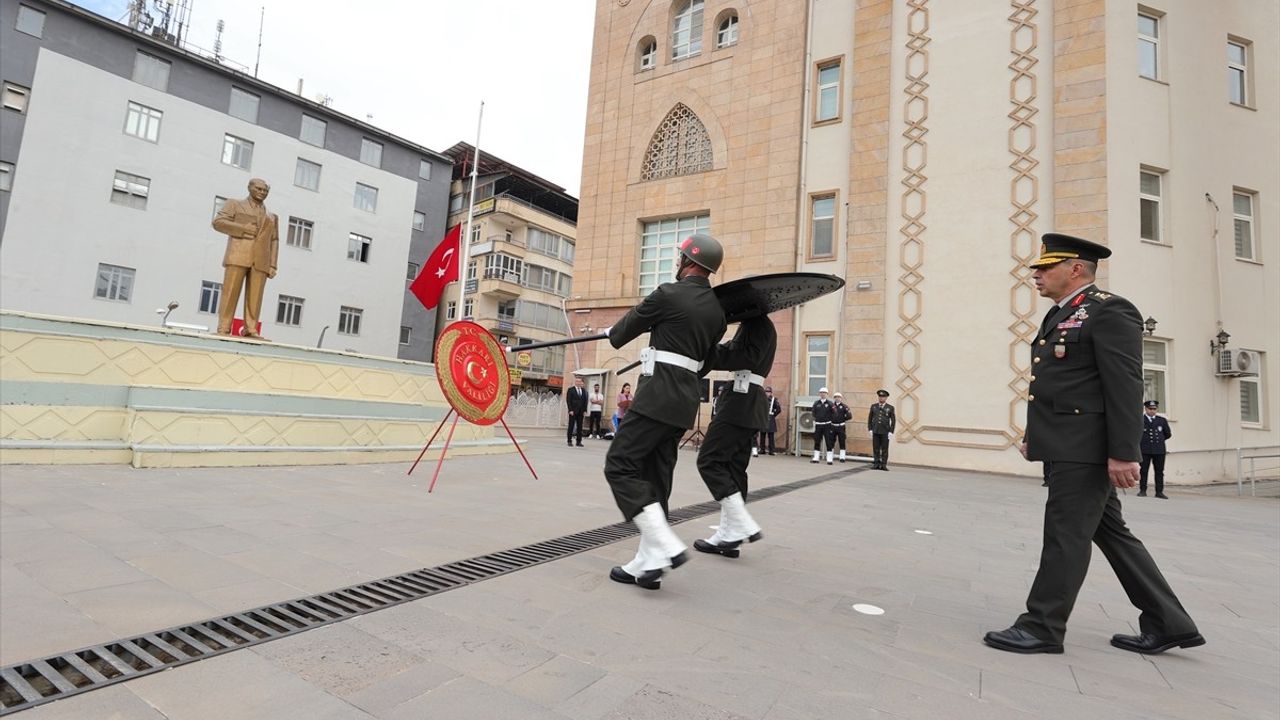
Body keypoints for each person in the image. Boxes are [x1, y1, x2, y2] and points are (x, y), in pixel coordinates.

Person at [984, 233, 1203, 656]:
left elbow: (1124, 385)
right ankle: (1169, 621)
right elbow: (1060, 386)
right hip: (1068, 443)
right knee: (1113, 535)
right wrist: (1038, 436)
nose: (1036, 274)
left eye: (1046, 267)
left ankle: (1043, 626)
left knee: (1065, 534)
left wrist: (1124, 452)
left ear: (1076, 268)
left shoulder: (1109, 311)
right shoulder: (1062, 313)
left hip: (1087, 449)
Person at [604, 233, 727, 590]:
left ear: (688, 261)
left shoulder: (668, 294)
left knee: (620, 465)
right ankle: (648, 565)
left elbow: (622, 332)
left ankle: (663, 542)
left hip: (656, 396)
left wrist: (610, 330)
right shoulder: (717, 312)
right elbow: (703, 361)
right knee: (657, 477)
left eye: (679, 257)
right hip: (684, 401)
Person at [693, 314, 775, 558]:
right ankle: (730, 537)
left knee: (709, 460)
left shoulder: (757, 324)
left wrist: (706, 350)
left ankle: (739, 523)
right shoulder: (756, 324)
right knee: (734, 468)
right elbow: (734, 350)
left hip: (741, 400)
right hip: (746, 400)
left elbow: (743, 356)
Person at [212, 178, 279, 338]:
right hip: (238, 255)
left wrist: (273, 265)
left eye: (265, 190)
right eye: (259, 189)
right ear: (250, 188)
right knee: (230, 292)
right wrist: (242, 228)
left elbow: (275, 240)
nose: (262, 192)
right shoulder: (235, 204)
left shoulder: (272, 217)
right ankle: (224, 327)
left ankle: (251, 328)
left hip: (261, 261)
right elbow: (218, 222)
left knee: (255, 297)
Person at [1139, 400, 1172, 499]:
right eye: (1150, 409)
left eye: (1154, 409)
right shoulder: (1140, 419)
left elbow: (1167, 434)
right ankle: (1143, 490)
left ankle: (1159, 492)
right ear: (1146, 409)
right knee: (1143, 470)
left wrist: (1159, 442)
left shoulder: (1161, 420)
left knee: (1159, 471)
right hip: (1145, 449)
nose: (1152, 411)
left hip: (1159, 450)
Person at [868, 390, 896, 470]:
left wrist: (891, 431)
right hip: (876, 430)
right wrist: (870, 429)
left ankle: (883, 464)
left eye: (883, 397)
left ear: (886, 398)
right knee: (876, 448)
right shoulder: (874, 406)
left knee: (884, 449)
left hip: (885, 431)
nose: (881, 398)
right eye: (880, 396)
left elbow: (893, 420)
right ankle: (876, 464)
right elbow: (870, 419)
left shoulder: (890, 408)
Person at [810, 388, 835, 464]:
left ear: (827, 394)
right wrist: (817, 420)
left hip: (827, 425)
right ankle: (816, 457)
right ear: (819, 394)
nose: (822, 394)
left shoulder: (830, 403)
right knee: (817, 441)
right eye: (821, 393)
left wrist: (830, 421)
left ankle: (829, 458)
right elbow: (813, 413)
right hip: (818, 425)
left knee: (828, 441)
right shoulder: (816, 403)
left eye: (824, 393)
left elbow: (834, 413)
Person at [757, 387, 782, 456]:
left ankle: (772, 450)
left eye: (768, 392)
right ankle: (762, 449)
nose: (767, 393)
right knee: (762, 435)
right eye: (766, 392)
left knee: (771, 436)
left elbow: (778, 409)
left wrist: (773, 414)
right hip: (763, 418)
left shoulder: (774, 400)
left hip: (770, 418)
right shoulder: (762, 399)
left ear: (771, 393)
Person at [565, 377, 587, 447]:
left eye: (580, 381)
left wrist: (585, 410)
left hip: (581, 411)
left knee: (580, 427)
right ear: (575, 382)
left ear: (581, 382)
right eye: (577, 381)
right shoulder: (571, 390)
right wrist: (570, 410)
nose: (578, 383)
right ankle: (569, 441)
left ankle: (578, 441)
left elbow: (585, 401)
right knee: (571, 426)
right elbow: (568, 401)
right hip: (573, 411)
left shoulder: (583, 390)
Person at [831, 392, 853, 462]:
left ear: (841, 398)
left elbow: (849, 416)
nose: (837, 398)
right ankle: (830, 455)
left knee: (842, 441)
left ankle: (842, 457)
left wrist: (842, 419)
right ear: (834, 398)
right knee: (831, 441)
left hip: (841, 426)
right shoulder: (831, 406)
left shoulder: (844, 406)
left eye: (839, 397)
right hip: (833, 426)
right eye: (836, 397)